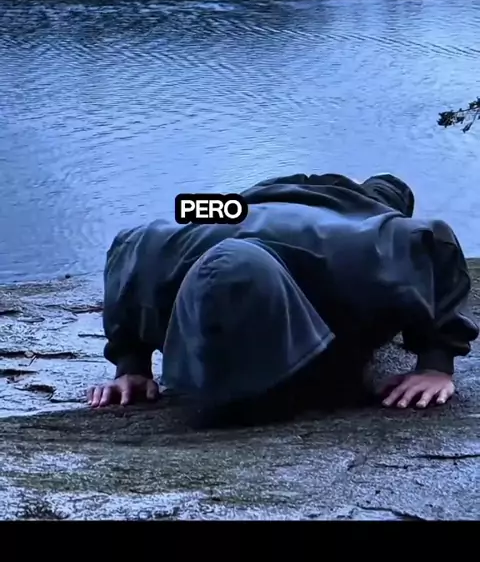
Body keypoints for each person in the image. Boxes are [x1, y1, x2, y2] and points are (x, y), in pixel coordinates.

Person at [87, 172, 478, 427]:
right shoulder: (158, 267)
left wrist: (436, 363)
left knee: (386, 192)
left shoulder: (360, 259)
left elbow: (435, 241)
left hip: (344, 206)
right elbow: (127, 246)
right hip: (240, 205)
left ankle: (377, 186)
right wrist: (131, 365)